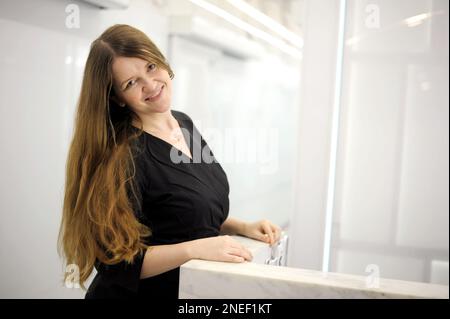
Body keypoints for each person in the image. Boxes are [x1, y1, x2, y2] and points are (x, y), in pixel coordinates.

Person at [58, 24, 282, 299]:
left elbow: (180, 214)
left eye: (151, 67)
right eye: (131, 83)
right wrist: (194, 249)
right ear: (117, 98)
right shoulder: (122, 155)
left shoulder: (183, 123)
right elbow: (113, 262)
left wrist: (241, 227)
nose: (150, 85)